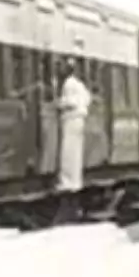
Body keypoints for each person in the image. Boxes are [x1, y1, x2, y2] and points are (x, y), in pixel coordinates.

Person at [54, 57, 92, 223]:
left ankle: (68, 189)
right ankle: (74, 188)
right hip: (80, 120)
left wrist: (59, 103)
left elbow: (69, 102)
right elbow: (87, 99)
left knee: (68, 156)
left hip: (71, 119)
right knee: (75, 157)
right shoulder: (79, 84)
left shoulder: (68, 84)